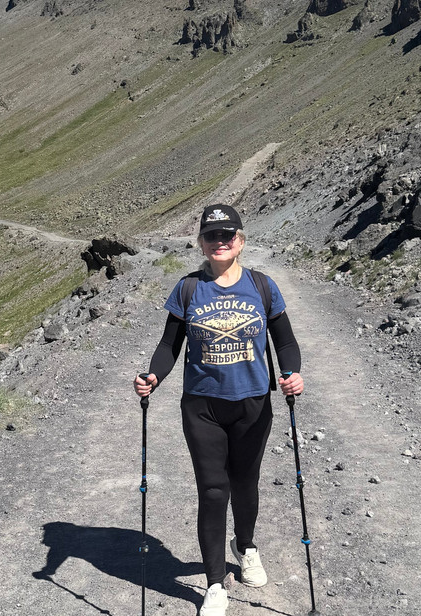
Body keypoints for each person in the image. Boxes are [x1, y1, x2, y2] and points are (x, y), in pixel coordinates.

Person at [134, 204, 304, 616]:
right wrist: (154, 375)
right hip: (202, 406)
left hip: (253, 403)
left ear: (240, 241)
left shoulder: (262, 286)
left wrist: (292, 373)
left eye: (228, 235)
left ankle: (245, 547)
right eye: (211, 235)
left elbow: (285, 342)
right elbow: (169, 345)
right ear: (201, 243)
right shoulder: (188, 288)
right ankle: (214, 583)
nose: (220, 241)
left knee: (245, 484)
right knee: (213, 491)